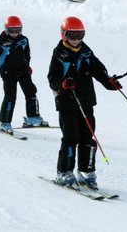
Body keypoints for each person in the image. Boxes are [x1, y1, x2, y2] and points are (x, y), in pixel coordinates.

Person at [47, 16, 122, 189]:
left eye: (80, 35)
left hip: (86, 100)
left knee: (88, 136)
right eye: (72, 35)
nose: (77, 40)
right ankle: (64, 172)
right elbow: (52, 78)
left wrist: (110, 82)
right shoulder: (59, 54)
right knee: (71, 137)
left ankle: (86, 171)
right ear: (64, 35)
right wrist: (63, 84)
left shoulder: (87, 52)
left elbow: (99, 71)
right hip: (67, 102)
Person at [0, 15, 48, 134]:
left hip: (23, 71)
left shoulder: (24, 40)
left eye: (17, 30)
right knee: (10, 96)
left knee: (31, 91)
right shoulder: (1, 43)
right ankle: (4, 123)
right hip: (8, 73)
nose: (14, 33)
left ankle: (32, 117)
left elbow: (27, 53)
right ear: (6, 30)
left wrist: (27, 65)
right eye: (11, 31)